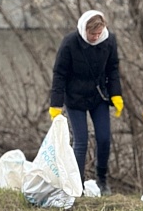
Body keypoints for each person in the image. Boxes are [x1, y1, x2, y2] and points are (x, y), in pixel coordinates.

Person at [49, 10, 123, 195]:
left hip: (99, 97)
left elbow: (113, 69)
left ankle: (102, 179)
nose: (96, 37)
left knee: (104, 138)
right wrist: (56, 104)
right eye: (92, 34)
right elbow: (59, 74)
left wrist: (116, 94)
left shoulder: (109, 41)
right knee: (81, 141)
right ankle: (78, 184)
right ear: (84, 30)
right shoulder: (70, 43)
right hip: (75, 98)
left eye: (99, 33)